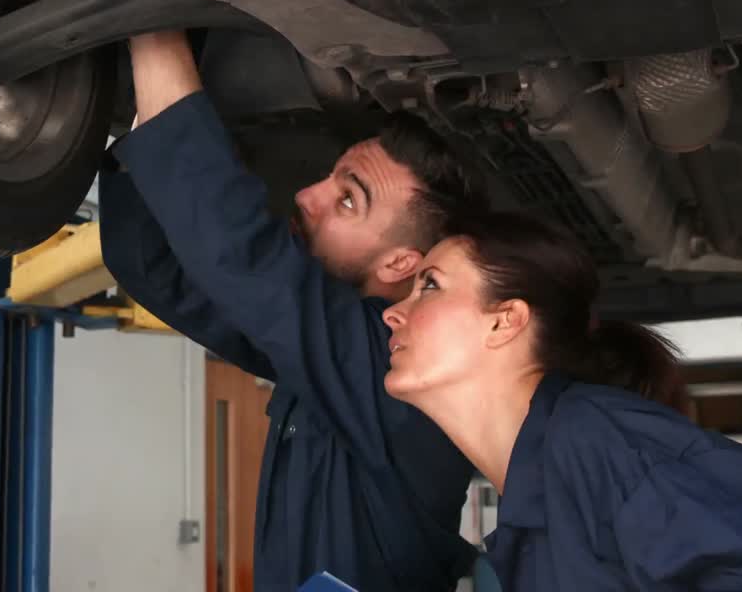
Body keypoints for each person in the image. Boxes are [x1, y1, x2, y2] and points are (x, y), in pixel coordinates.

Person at [99, 29, 487, 591]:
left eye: (347, 199)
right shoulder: (337, 368)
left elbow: (242, 257)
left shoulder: (403, 386)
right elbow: (158, 270)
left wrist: (153, 29)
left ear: (402, 263)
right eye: (332, 179)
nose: (308, 195)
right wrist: (149, 118)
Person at [382, 211, 742, 590]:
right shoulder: (536, 506)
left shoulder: (606, 445)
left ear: (504, 320)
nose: (394, 313)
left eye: (429, 284)